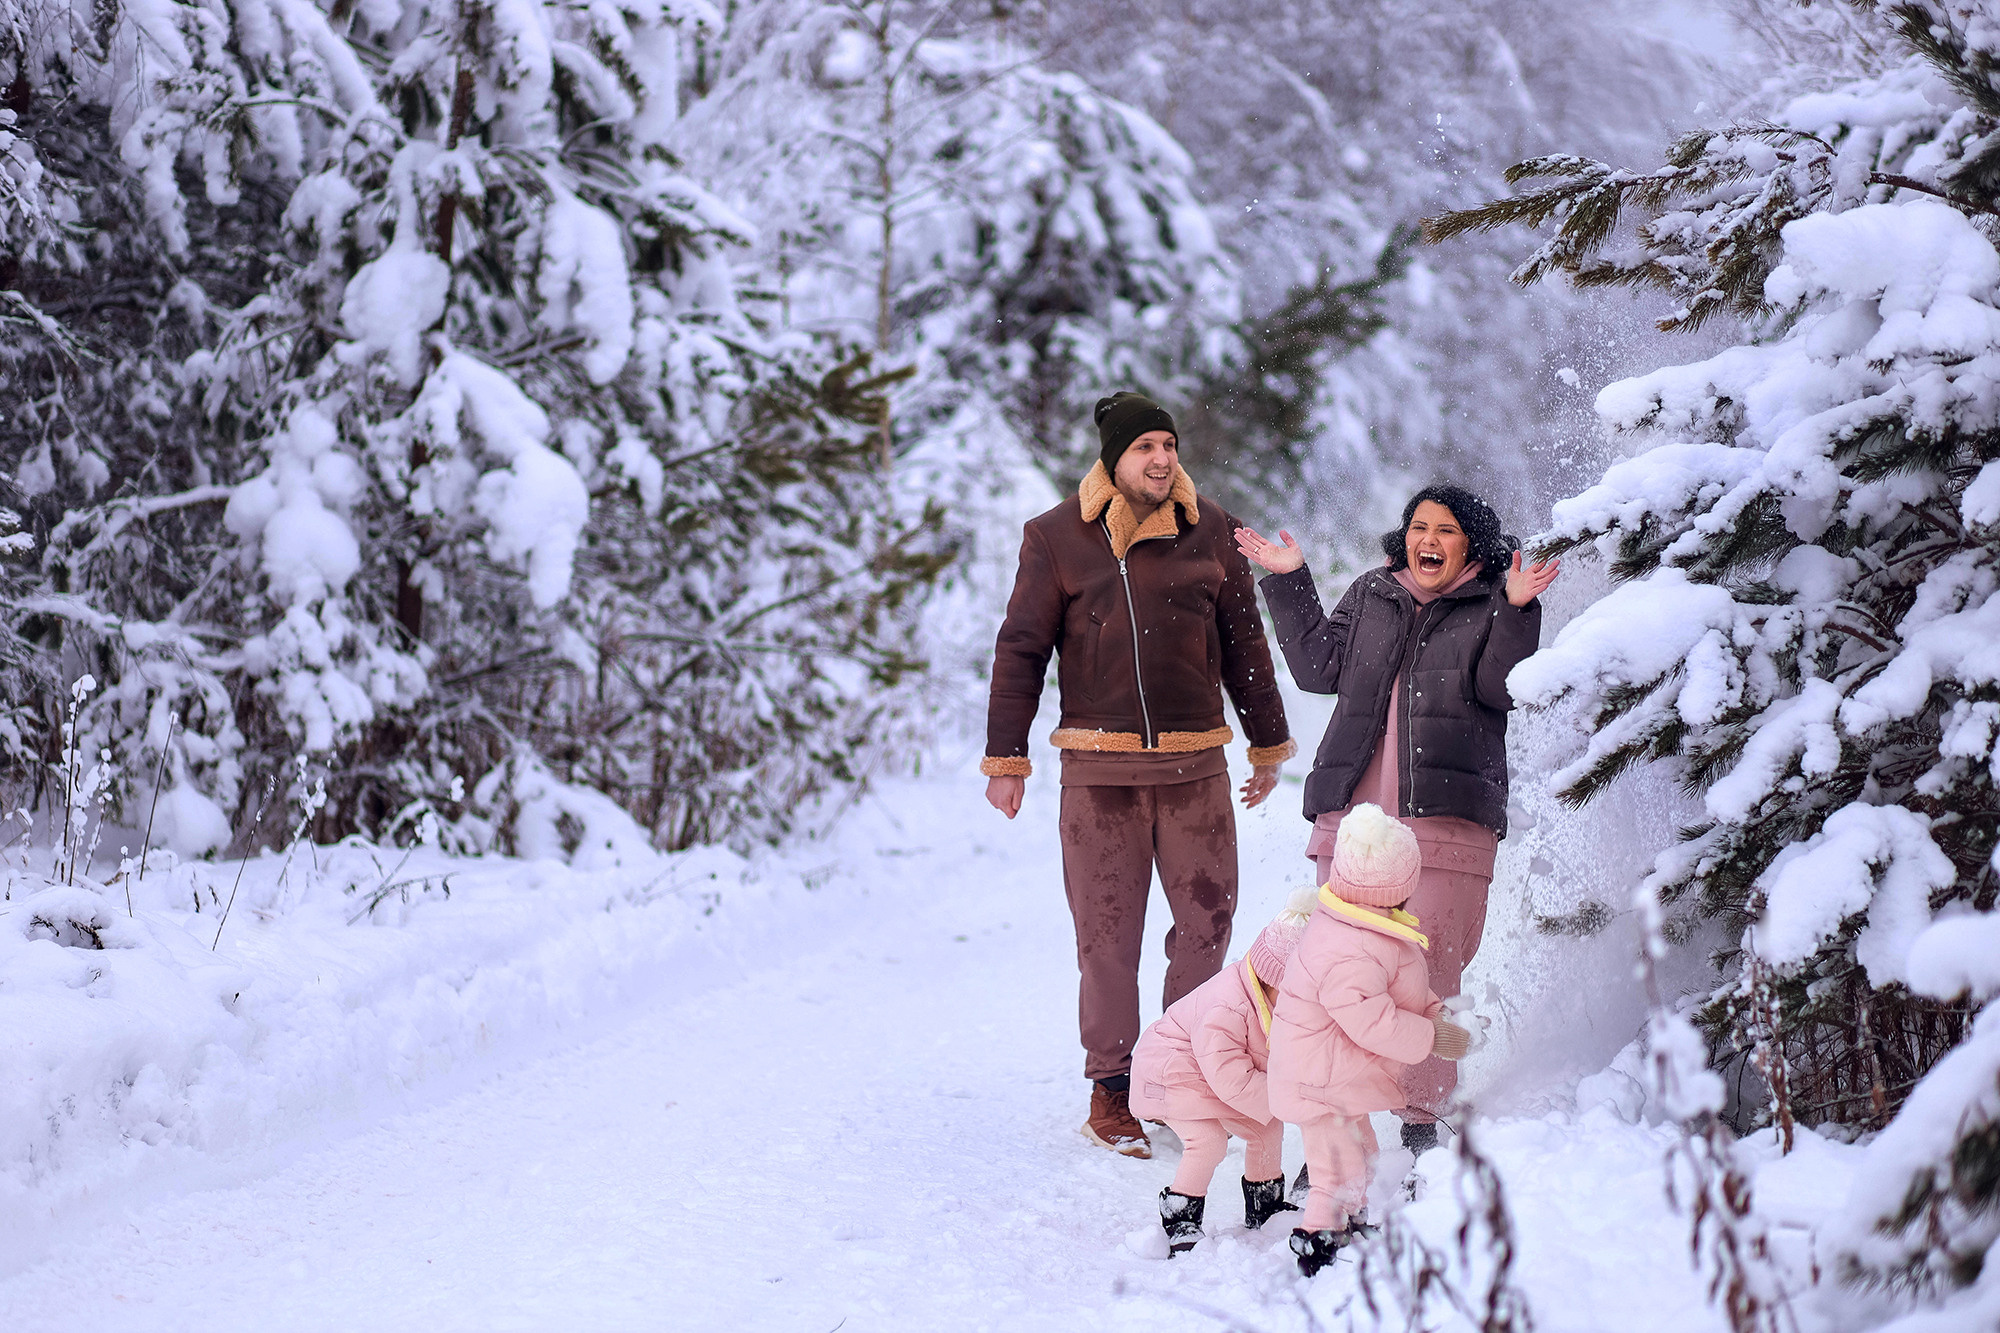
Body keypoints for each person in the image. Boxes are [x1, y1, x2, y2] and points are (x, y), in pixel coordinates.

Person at [983, 391, 1297, 1160]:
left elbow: (1244, 643)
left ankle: (1181, 1065)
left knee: (1207, 923)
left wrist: (1267, 743)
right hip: (1099, 773)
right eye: (1144, 447)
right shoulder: (1058, 537)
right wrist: (1006, 756)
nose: (1161, 458)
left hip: (1197, 768)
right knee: (1107, 938)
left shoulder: (1211, 529)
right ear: (1112, 460)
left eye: (1169, 444)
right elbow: (1021, 646)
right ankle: (1112, 1088)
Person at [1234, 484, 1557, 1153]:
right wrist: (1290, 581)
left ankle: (1421, 1123)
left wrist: (1521, 610)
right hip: (1350, 819)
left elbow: (1503, 687)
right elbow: (1319, 668)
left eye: (1444, 529)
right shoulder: (1373, 593)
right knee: (1334, 974)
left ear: (1472, 544)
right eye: (1418, 526)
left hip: (1446, 825)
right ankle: (1338, 1129)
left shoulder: (1493, 604)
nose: (1427, 540)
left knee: (1427, 973)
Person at [1266, 804, 1471, 1277]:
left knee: (1362, 1154)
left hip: (1333, 1077)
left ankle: (1350, 1221)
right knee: (1334, 1170)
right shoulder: (1346, 947)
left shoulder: (1367, 928)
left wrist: (1438, 1013)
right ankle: (1316, 1241)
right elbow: (1372, 1021)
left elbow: (1402, 990)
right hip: (1317, 1084)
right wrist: (1432, 1036)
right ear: (1396, 888)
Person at [1130, 888, 1316, 1255]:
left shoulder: (1268, 1000)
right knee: (1209, 1141)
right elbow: (1230, 1076)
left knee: (1266, 1126)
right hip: (1169, 1071)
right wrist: (1282, 1094)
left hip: (1207, 1074)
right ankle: (1181, 1214)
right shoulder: (1227, 1007)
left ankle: (1266, 1205)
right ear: (1270, 977)